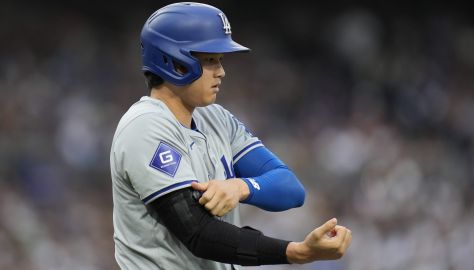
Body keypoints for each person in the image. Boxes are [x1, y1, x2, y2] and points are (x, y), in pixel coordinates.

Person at [110, 2, 352, 269]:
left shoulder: (216, 118)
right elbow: (198, 232)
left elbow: (291, 189)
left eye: (220, 61)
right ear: (176, 63)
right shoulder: (145, 125)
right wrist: (295, 252)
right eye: (210, 60)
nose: (221, 71)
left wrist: (240, 187)